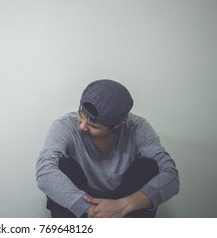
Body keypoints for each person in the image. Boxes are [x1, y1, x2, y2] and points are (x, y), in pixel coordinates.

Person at [36, 79, 179, 218]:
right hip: (82, 206)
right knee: (63, 166)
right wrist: (92, 210)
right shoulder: (64, 125)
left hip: (124, 206)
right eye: (81, 115)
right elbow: (44, 170)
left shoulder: (138, 128)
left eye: (93, 126)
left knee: (149, 167)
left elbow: (170, 175)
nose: (82, 126)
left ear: (117, 125)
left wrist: (122, 206)